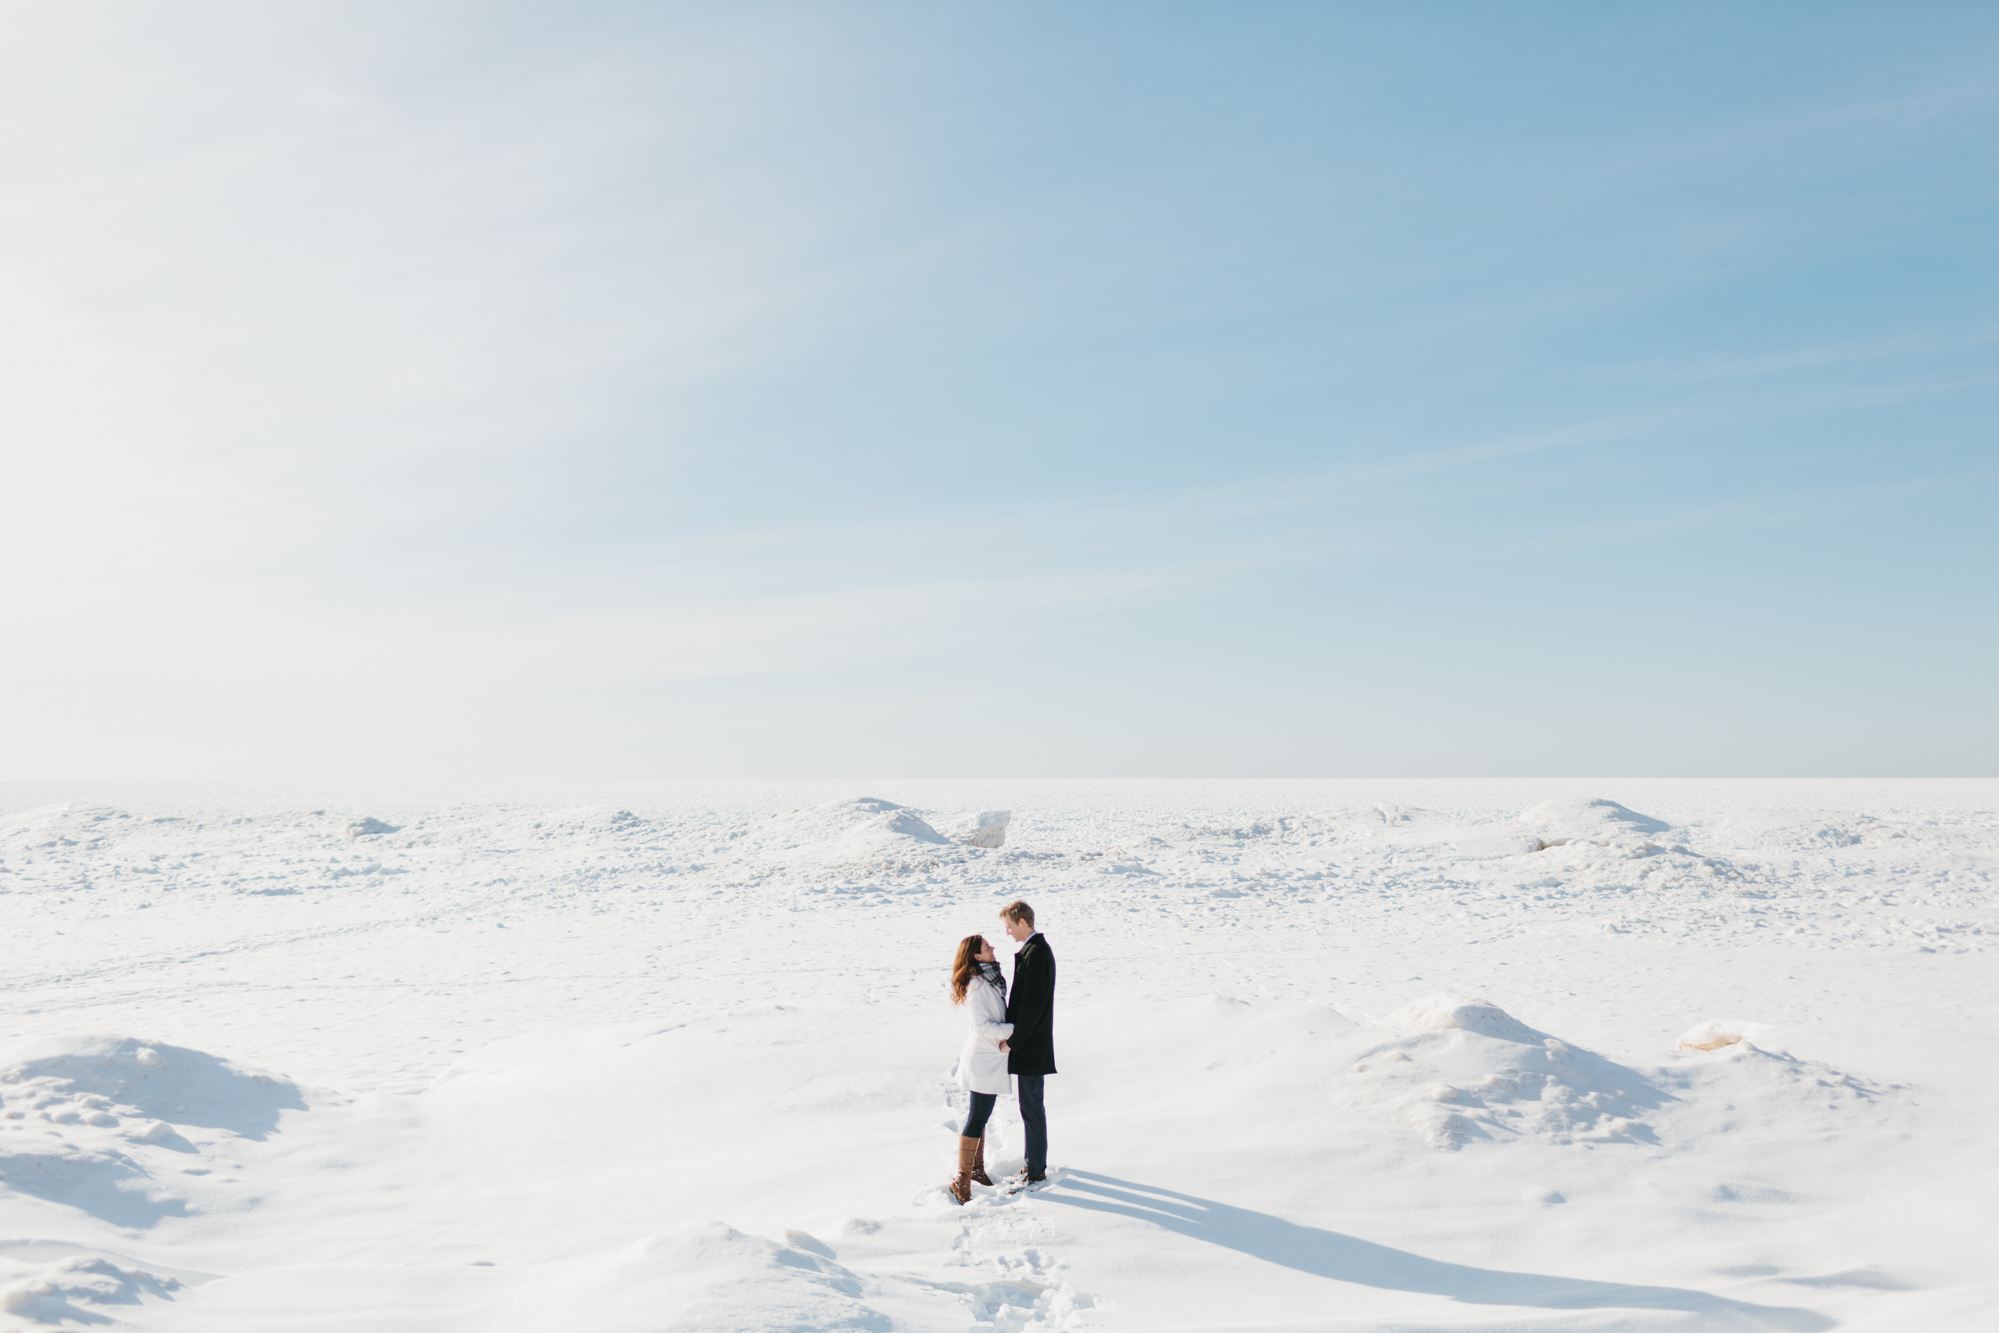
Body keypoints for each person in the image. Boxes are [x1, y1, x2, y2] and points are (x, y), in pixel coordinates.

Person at [947, 933, 1013, 1204]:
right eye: (987, 947)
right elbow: (983, 1026)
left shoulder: (988, 979)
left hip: (990, 1059)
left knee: (980, 1116)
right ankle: (962, 1179)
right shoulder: (977, 985)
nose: (993, 947)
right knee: (977, 1117)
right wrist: (1014, 1032)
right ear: (976, 956)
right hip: (982, 1060)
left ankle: (975, 1170)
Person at [1000, 899, 1055, 1185]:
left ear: (1023, 922)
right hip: (1031, 1046)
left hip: (1032, 1047)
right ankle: (1032, 1164)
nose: (1007, 932)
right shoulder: (1034, 951)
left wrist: (1014, 1042)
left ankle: (1036, 1171)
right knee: (1030, 1109)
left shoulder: (1037, 953)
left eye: (1009, 926)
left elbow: (1032, 1007)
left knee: (1032, 1109)